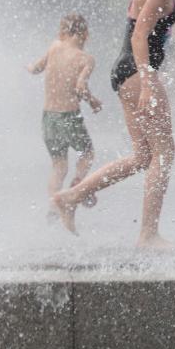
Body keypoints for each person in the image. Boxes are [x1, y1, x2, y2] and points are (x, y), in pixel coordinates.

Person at [52, 0, 175, 248]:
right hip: (136, 73)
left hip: (125, 72)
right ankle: (148, 235)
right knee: (164, 153)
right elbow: (138, 36)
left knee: (142, 156)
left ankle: (71, 197)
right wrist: (147, 82)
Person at [28, 13, 102, 219]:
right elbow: (80, 87)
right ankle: (78, 183)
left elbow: (36, 68)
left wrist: (27, 67)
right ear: (85, 33)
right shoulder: (86, 59)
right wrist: (93, 101)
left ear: (63, 31)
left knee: (59, 166)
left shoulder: (54, 47)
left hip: (49, 118)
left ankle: (53, 207)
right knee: (87, 153)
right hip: (69, 117)